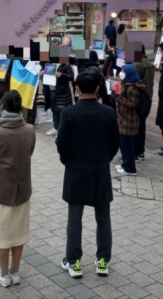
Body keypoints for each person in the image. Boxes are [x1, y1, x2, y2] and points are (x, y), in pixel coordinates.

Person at [56, 72, 119, 279]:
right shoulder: (109, 112)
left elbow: (62, 143)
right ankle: (103, 260)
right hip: (100, 171)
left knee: (74, 219)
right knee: (103, 218)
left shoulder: (69, 113)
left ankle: (74, 262)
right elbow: (114, 143)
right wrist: (103, 159)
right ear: (98, 89)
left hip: (76, 171)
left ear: (77, 89)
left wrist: (69, 161)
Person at [0, 90, 36, 288]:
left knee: (2, 233)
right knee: (18, 231)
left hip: (0, 191)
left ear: (2, 107)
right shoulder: (29, 129)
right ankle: (15, 271)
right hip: (22, 189)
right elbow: (30, 151)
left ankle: (4, 274)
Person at [112, 64, 144, 176]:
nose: (121, 73)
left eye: (123, 71)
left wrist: (117, 97)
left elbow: (132, 104)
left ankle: (130, 168)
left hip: (129, 120)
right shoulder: (126, 84)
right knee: (124, 143)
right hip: (124, 118)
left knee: (127, 144)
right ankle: (125, 164)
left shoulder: (131, 88)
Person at [133, 45, 155, 161]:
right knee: (142, 125)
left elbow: (132, 80)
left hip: (138, 97)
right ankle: (141, 151)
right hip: (148, 96)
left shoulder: (137, 64)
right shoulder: (148, 63)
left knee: (134, 125)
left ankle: (135, 152)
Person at [46, 62, 75, 136]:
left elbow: (71, 77)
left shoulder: (66, 64)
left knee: (61, 110)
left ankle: (62, 130)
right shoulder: (50, 64)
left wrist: (62, 75)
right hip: (52, 89)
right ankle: (56, 127)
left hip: (62, 92)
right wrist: (43, 72)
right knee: (54, 109)